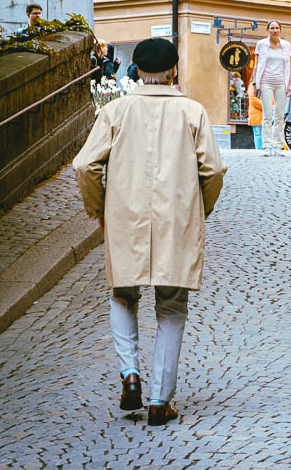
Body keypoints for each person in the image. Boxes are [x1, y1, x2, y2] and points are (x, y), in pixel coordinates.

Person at [72, 38, 226, 427]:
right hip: (177, 219)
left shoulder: (116, 111)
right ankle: (159, 400)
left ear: (137, 71)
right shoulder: (193, 112)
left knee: (122, 294)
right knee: (172, 306)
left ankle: (130, 374)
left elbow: (85, 166)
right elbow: (214, 170)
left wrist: (98, 208)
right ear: (174, 70)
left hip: (126, 216)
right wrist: (199, 210)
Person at [253, 20, 291, 157]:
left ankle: (278, 145)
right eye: (272, 28)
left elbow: (289, 66)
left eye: (277, 28)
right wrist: (256, 83)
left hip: (281, 83)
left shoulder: (286, 45)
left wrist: (290, 84)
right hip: (266, 82)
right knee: (267, 114)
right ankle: (267, 145)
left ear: (280, 30)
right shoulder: (261, 44)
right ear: (268, 30)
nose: (275, 30)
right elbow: (256, 65)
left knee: (279, 115)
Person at [248, 83, 263, 150]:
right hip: (256, 114)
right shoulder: (252, 85)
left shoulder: (266, 83)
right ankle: (259, 150)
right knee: (258, 134)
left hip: (266, 114)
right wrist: (267, 106)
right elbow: (253, 100)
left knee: (261, 134)